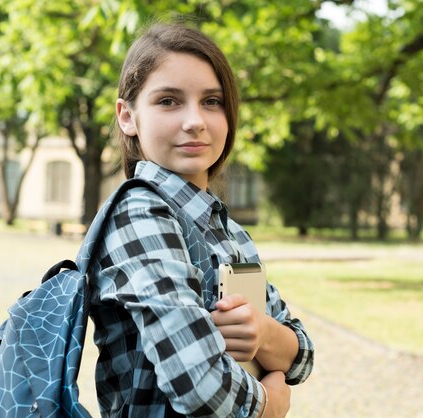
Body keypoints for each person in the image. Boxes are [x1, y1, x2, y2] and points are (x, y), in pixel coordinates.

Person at [88, 22, 314, 417]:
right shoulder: (139, 214)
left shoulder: (228, 230)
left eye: (212, 101)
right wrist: (269, 405)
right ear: (127, 116)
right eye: (169, 101)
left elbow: (303, 354)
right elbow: (198, 384)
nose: (195, 120)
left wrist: (263, 333)